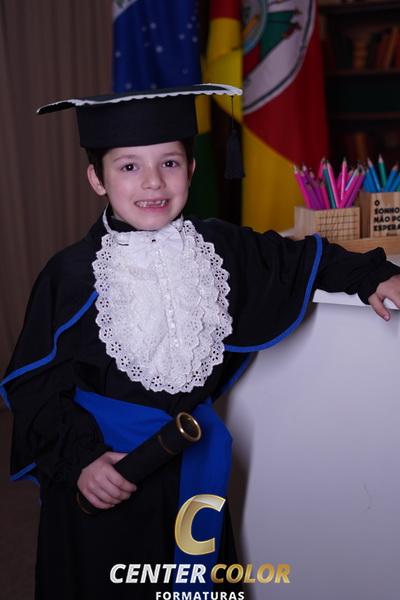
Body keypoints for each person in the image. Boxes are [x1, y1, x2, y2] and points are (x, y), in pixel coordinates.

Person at [2, 83, 400, 600]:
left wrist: (372, 275)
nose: (153, 181)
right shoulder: (69, 275)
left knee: (197, 580)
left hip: (193, 466)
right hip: (108, 469)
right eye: (128, 166)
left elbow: (299, 258)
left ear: (191, 169)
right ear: (97, 178)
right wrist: (81, 460)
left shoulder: (219, 246)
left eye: (169, 163)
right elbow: (35, 387)